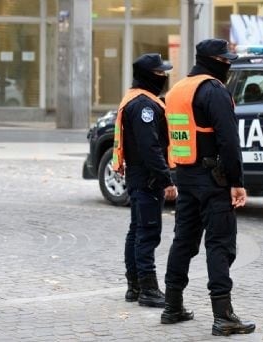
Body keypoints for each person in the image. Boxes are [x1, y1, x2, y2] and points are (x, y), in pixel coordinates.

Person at [161, 38, 255, 336]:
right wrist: (236, 183)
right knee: (219, 244)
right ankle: (223, 315)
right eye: (225, 61)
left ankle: (172, 306)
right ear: (213, 61)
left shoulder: (177, 90)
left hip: (185, 176)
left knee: (183, 241)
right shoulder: (213, 90)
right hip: (213, 179)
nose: (228, 66)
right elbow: (229, 141)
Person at [112, 53, 177, 308]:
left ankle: (135, 286)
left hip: (138, 176)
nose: (164, 77)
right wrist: (166, 179)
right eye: (161, 74)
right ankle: (148, 290)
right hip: (147, 178)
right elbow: (150, 147)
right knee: (147, 233)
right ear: (149, 76)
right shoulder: (144, 106)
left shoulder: (136, 100)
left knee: (137, 231)